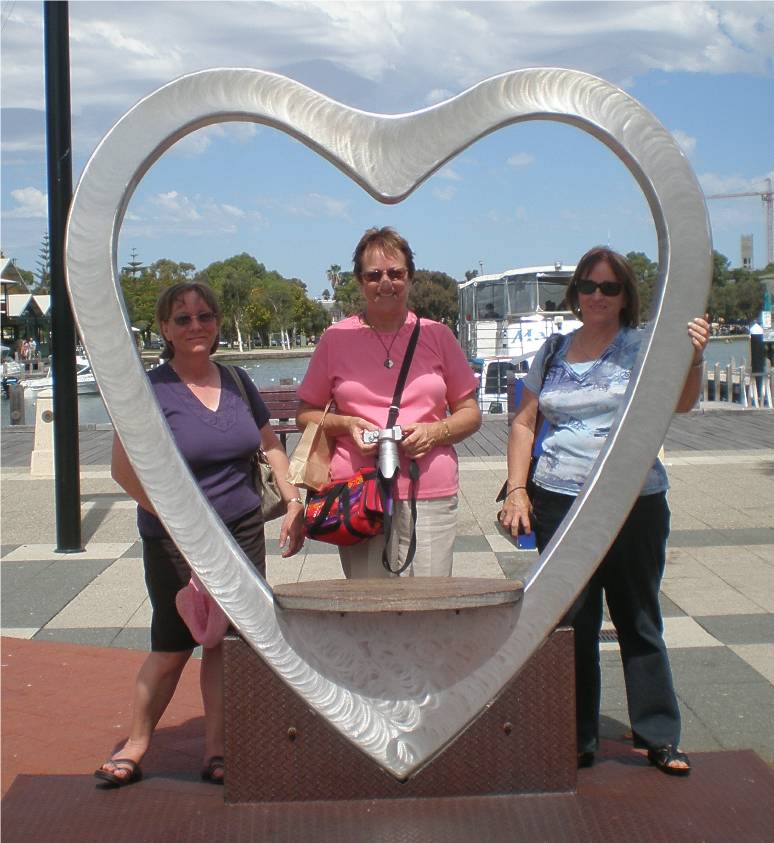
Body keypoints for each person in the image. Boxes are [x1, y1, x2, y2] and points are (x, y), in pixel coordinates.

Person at [499, 246, 709, 776]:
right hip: (558, 501)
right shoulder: (552, 351)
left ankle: (659, 736)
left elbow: (679, 404)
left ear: (624, 297)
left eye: (609, 287)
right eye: (589, 287)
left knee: (639, 616)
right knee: (574, 620)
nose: (598, 296)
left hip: (634, 500)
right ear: (575, 295)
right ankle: (577, 736)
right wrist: (518, 490)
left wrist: (696, 356)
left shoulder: (643, 348)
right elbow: (524, 423)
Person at [95, 282, 305, 788]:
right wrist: (181, 524)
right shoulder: (150, 389)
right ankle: (139, 741)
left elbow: (270, 444)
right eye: (182, 319)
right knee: (172, 644)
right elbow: (124, 471)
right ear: (164, 328)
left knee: (227, 642)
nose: (196, 326)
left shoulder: (235, 379)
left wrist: (293, 497)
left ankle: (218, 748)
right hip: (175, 537)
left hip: (240, 528)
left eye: (205, 316)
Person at [297, 227, 481, 578]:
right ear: (359, 281)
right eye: (374, 275)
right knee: (370, 612)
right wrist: (347, 425)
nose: (386, 282)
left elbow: (470, 413)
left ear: (410, 277)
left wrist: (435, 431)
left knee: (427, 608)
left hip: (428, 488)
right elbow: (305, 415)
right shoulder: (337, 339)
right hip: (357, 493)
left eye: (396, 273)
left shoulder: (437, 336)